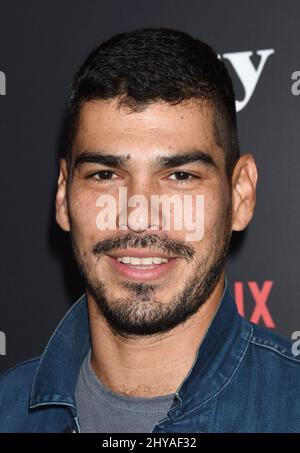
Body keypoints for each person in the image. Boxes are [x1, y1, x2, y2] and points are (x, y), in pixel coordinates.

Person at [0, 28, 299, 433]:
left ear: (241, 194)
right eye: (105, 174)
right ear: (62, 195)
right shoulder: (8, 410)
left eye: (179, 175)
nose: (138, 216)